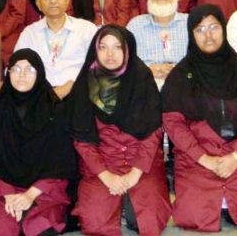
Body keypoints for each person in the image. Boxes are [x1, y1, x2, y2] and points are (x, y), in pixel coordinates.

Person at [162, 5, 237, 232]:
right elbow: (173, 124)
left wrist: (236, 154)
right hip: (197, 158)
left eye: (214, 27)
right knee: (194, 217)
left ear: (224, 29)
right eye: (200, 30)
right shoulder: (180, 75)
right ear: (191, 35)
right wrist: (204, 158)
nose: (208, 35)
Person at [69, 26, 171, 235]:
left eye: (117, 47)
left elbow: (153, 133)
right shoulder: (85, 84)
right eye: (103, 47)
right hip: (102, 165)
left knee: (149, 220)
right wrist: (107, 176)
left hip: (141, 165)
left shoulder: (141, 78)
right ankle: (118, 202)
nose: (110, 54)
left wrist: (134, 174)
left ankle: (126, 204)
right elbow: (82, 140)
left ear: (127, 50)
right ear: (95, 50)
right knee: (95, 224)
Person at [0, 49, 78, 236]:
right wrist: (7, 192)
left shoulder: (56, 111)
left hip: (45, 193)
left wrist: (31, 194)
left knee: (40, 226)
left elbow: (62, 163)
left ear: (39, 74)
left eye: (30, 70)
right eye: (16, 69)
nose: (22, 75)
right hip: (4, 192)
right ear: (8, 74)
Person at [14, 0, 98, 100]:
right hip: (39, 97)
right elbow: (16, 68)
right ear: (38, 3)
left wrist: (72, 86)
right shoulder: (29, 33)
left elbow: (97, 67)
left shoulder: (87, 30)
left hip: (78, 94)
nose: (53, 1)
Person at [126, 0, 189, 86]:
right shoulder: (135, 26)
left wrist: (179, 71)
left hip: (184, 85)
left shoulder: (190, 23)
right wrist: (147, 70)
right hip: (146, 84)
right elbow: (125, 63)